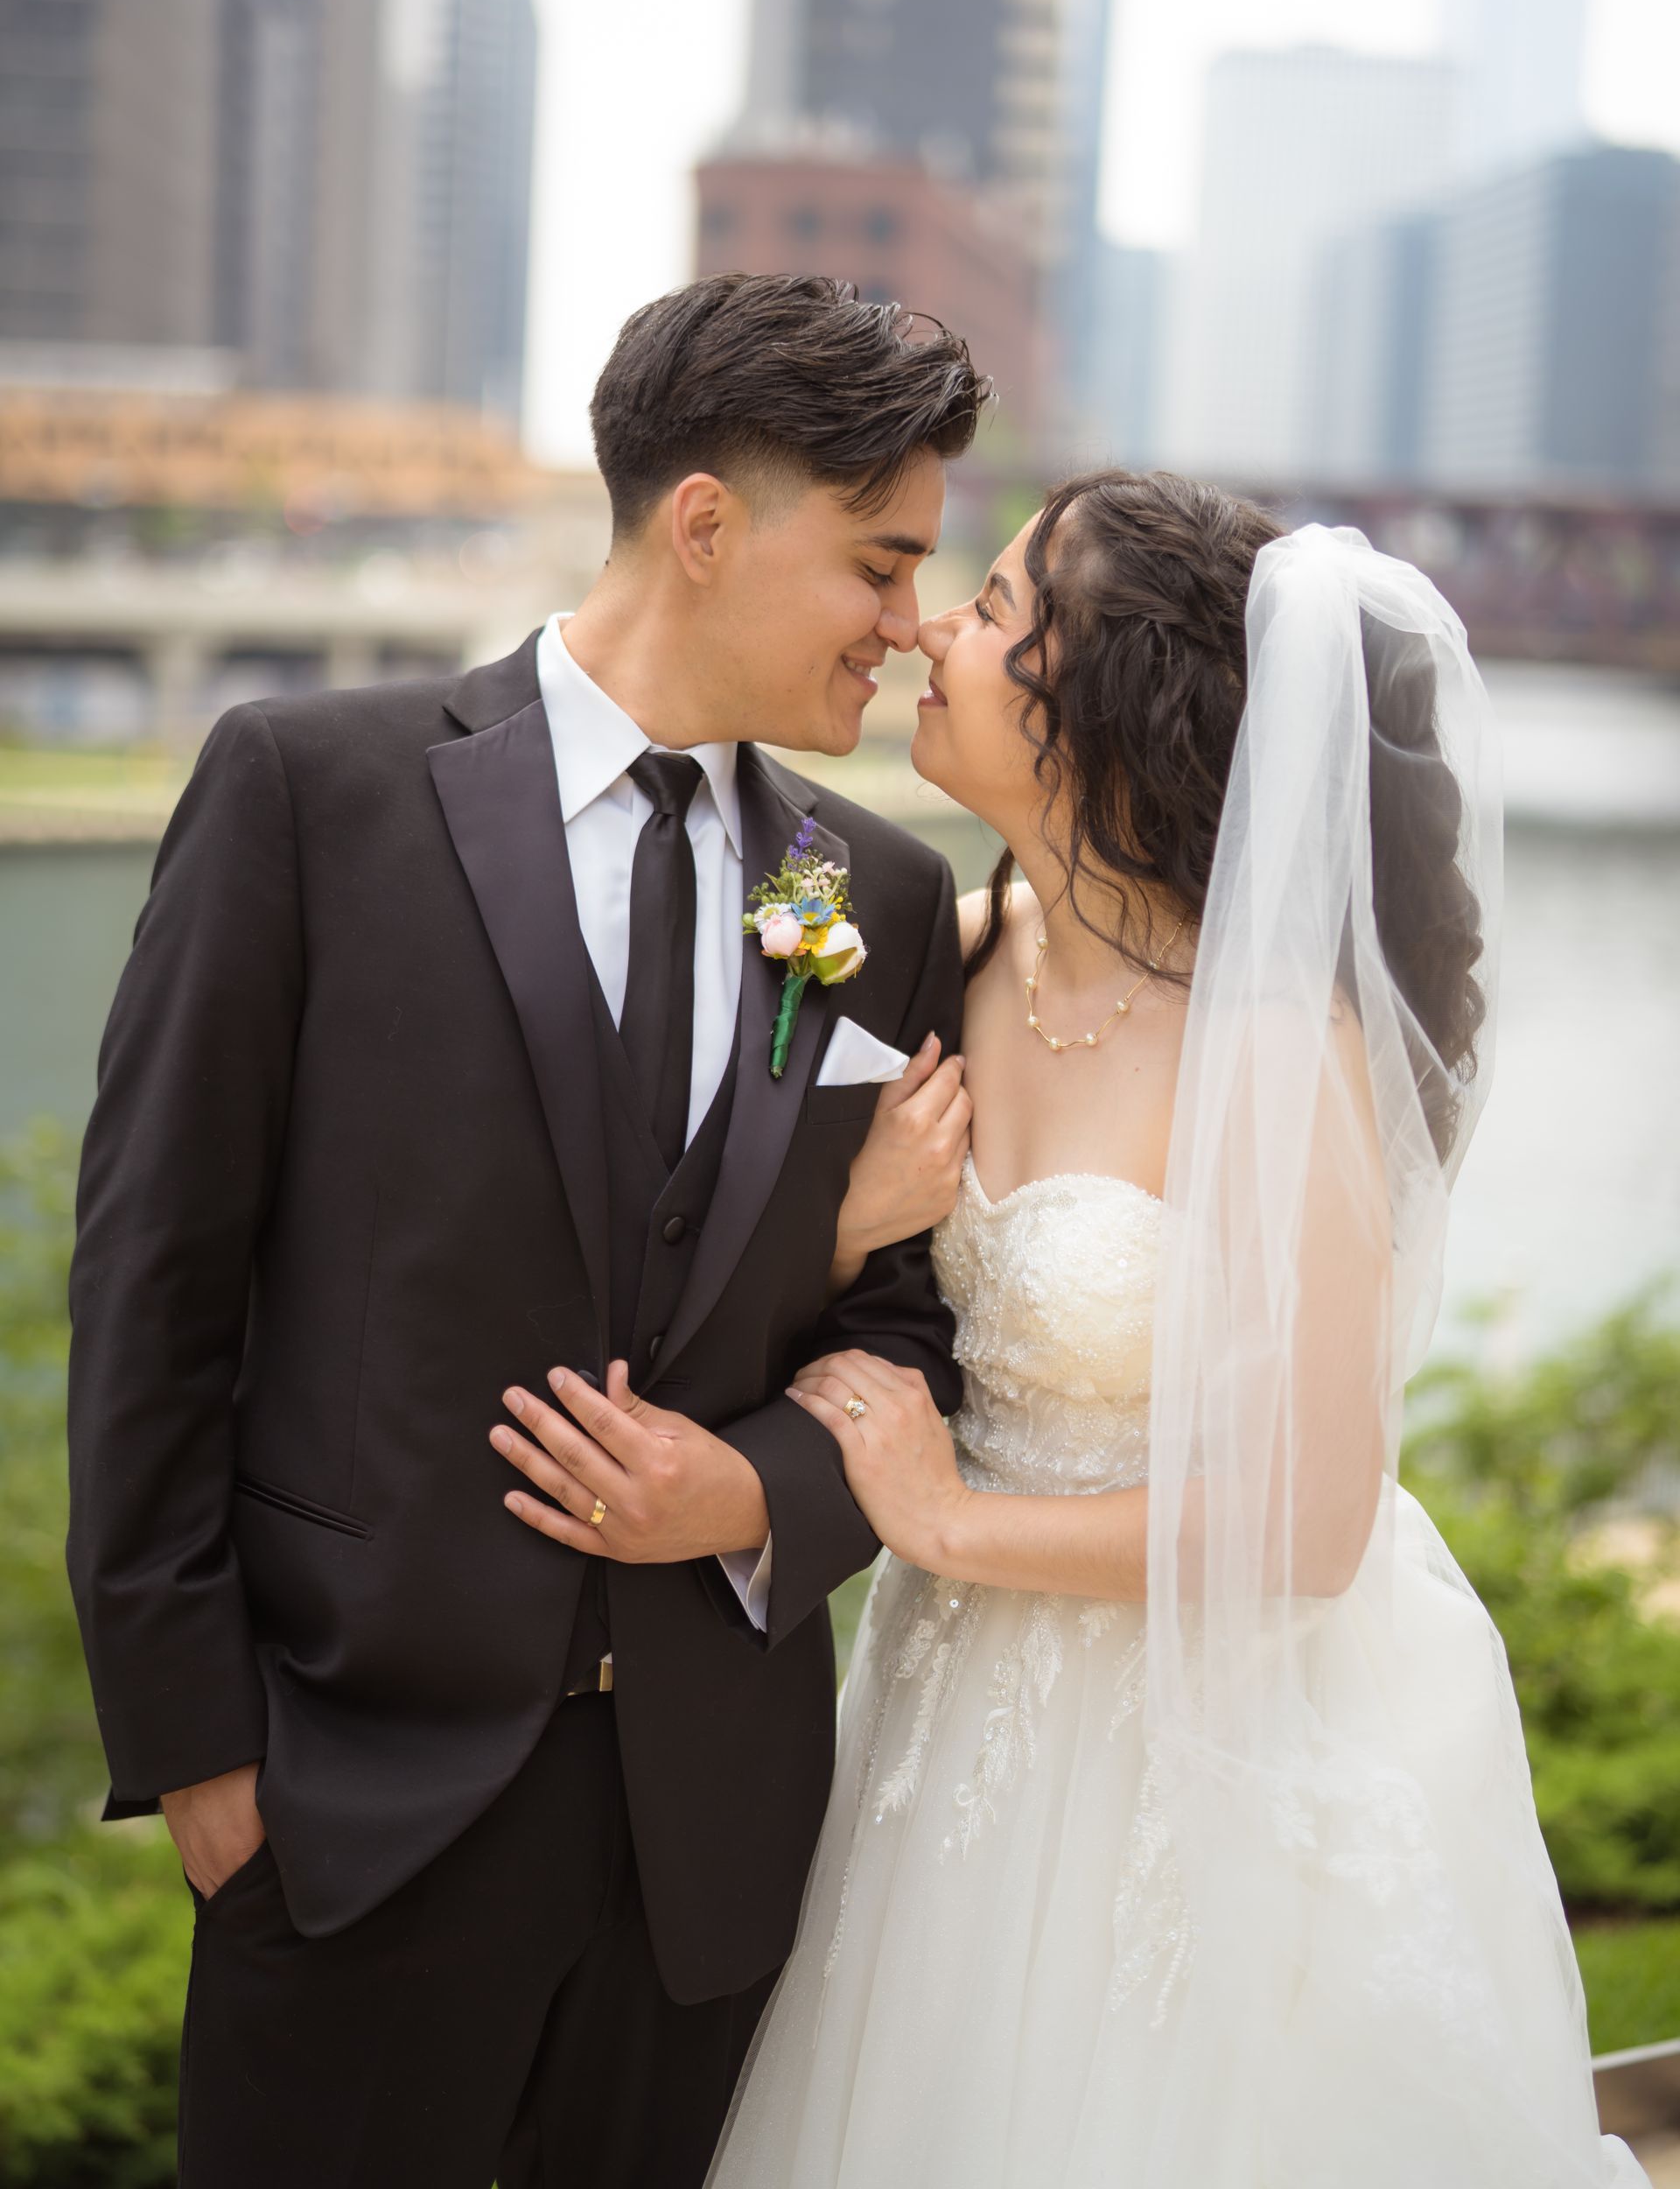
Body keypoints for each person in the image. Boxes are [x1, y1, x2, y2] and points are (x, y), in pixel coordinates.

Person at [66, 273, 989, 2188]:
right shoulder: (304, 796)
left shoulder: (881, 896)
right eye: (883, 566)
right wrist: (208, 1761)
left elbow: (916, 1335)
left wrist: (754, 1499)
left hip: (712, 1842)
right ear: (707, 525)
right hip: (353, 1798)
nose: (911, 631)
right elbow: (159, 1291)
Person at [706, 474, 1647, 2188]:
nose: (929, 626)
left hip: (1208, 1730)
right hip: (947, 1713)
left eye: (991, 611)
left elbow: (1307, 1525)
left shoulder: (1282, 1050)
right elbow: (823, 1291)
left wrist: (943, 1521)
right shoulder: (962, 955)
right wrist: (849, 1225)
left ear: (1110, 705)